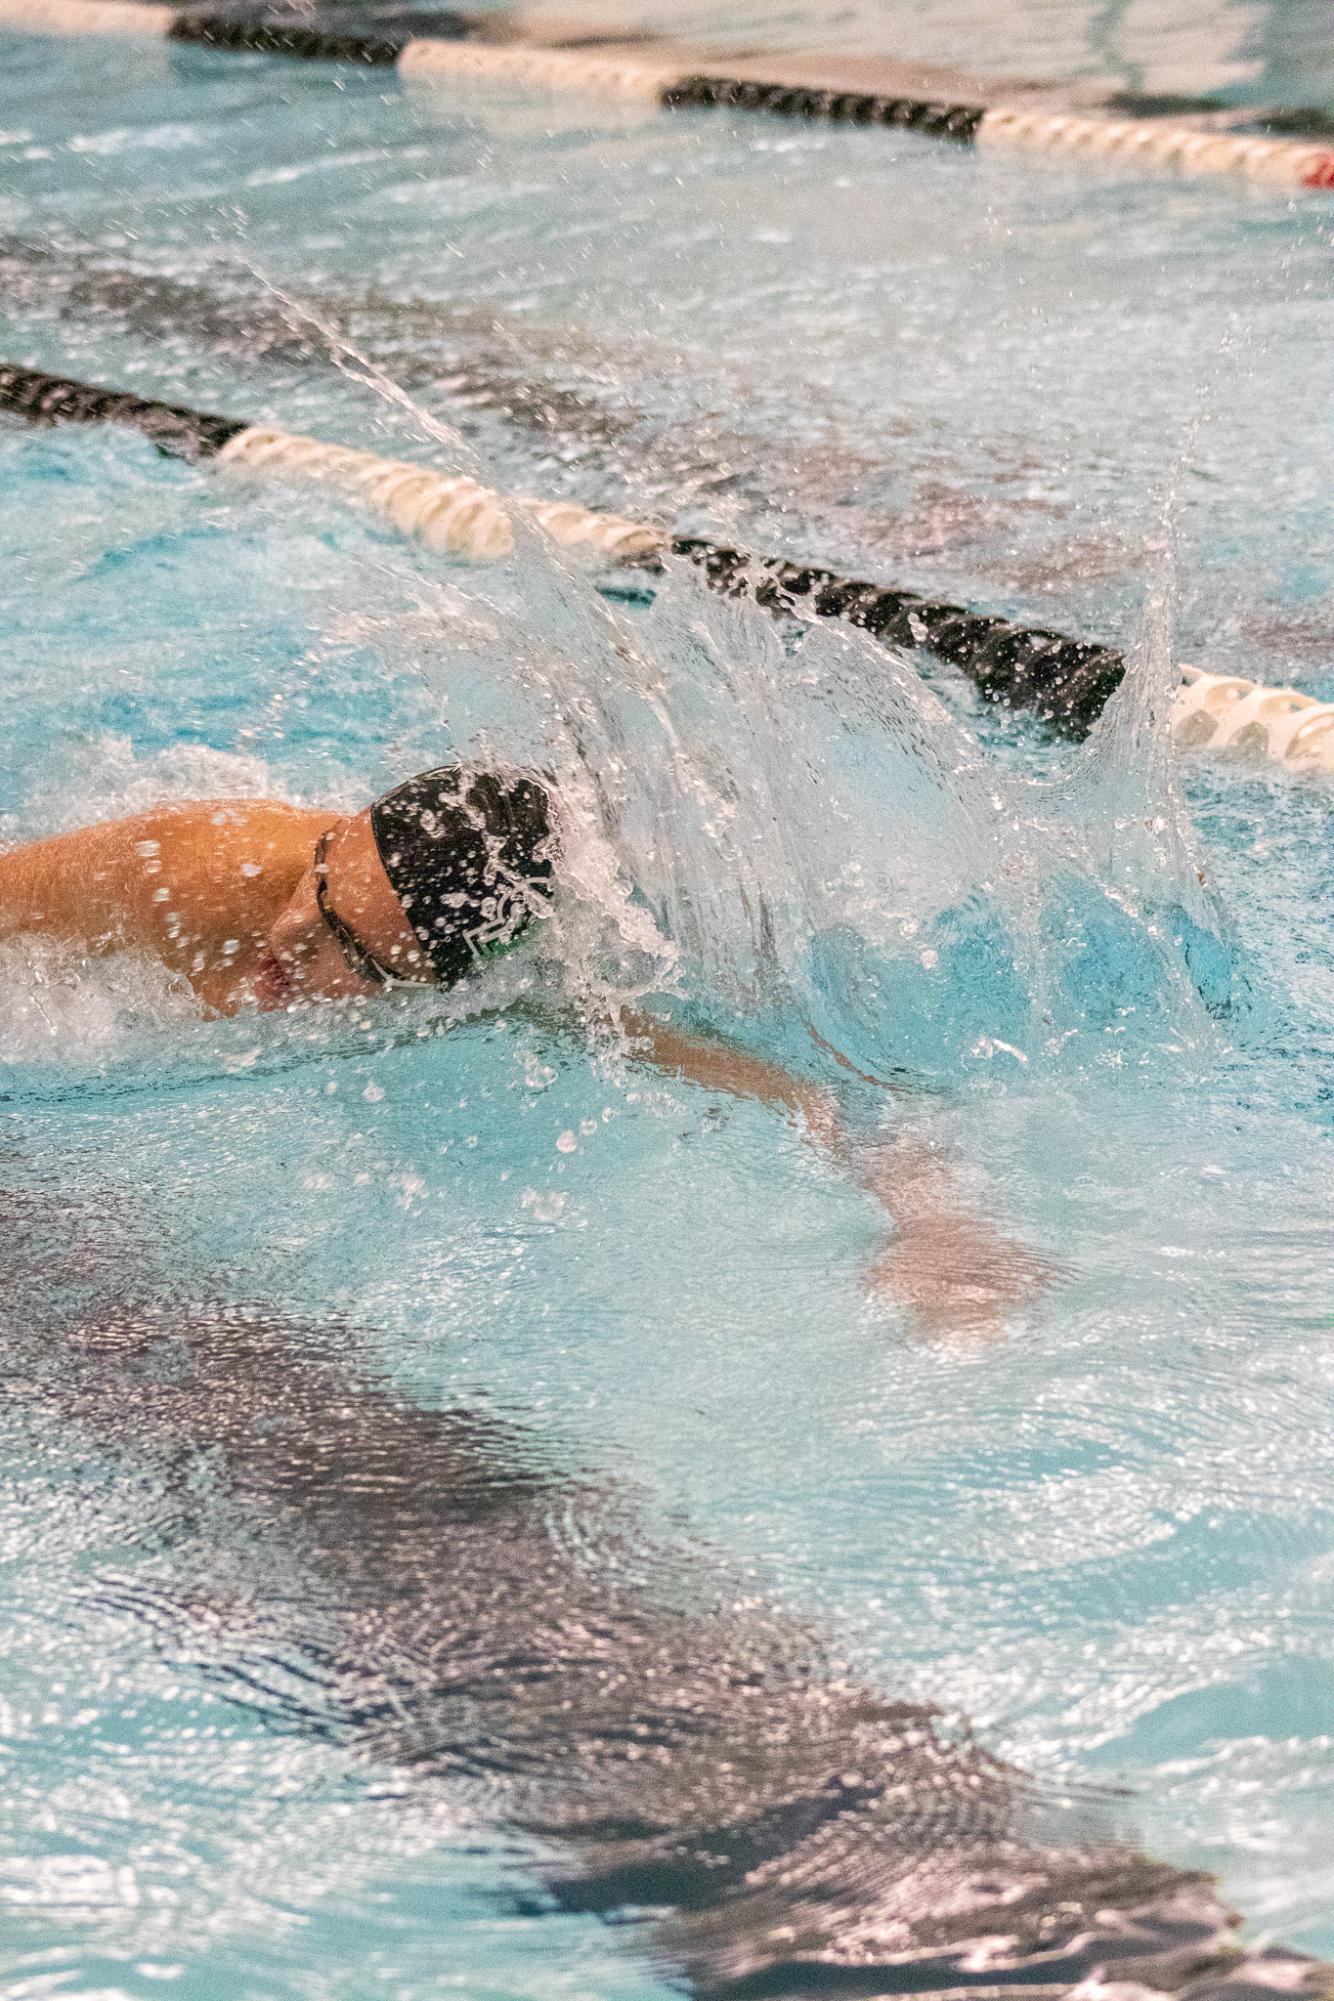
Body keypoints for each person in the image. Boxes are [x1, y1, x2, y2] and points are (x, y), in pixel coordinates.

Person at [0, 763, 1046, 1330]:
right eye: (315, 902)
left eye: (358, 965)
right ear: (341, 837)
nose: (294, 959)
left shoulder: (525, 971)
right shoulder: (182, 868)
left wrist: (933, 1222)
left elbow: (820, 1086)